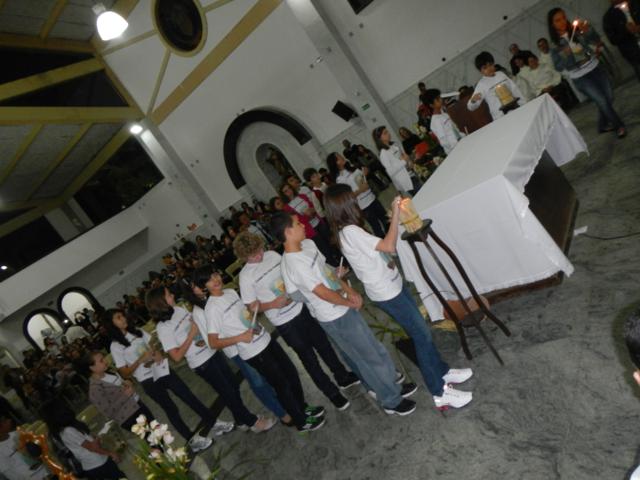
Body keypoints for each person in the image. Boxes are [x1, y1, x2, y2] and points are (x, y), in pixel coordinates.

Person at [323, 184, 474, 410]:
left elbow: (376, 254)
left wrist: (386, 262)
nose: (355, 200)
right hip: (387, 292)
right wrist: (394, 212)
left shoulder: (349, 230)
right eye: (351, 198)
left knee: (421, 330)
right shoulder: (351, 232)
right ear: (345, 204)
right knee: (421, 335)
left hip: (391, 284)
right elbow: (388, 244)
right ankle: (439, 391)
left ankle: (443, 372)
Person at [271, 211, 418, 416]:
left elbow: (328, 273)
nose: (303, 225)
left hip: (343, 305)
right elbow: (321, 292)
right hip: (333, 316)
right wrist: (347, 302)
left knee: (374, 348)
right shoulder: (294, 263)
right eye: (297, 224)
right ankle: (391, 400)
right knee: (367, 358)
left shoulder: (308, 246)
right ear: (288, 231)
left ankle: (391, 385)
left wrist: (350, 291)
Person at [234, 231, 359, 410]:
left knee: (324, 345)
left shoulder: (272, 255)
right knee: (309, 359)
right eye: (254, 255)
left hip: (302, 307)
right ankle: (332, 394)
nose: (260, 255)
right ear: (244, 257)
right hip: (285, 323)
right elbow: (251, 306)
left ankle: (342, 376)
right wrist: (272, 304)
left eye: (260, 249)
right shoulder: (245, 276)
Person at [193, 266, 326, 433]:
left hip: (265, 338)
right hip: (253, 352)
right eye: (209, 279)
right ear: (204, 286)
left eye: (215, 274)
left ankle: (301, 408)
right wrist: (240, 338)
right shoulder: (211, 309)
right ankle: (300, 421)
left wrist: (253, 309)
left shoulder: (230, 293)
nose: (216, 279)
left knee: (291, 372)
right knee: (281, 384)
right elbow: (213, 342)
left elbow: (244, 314)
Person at [146, 287, 275, 434]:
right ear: (161, 303)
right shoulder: (163, 328)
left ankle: (240, 419)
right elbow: (176, 357)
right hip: (202, 363)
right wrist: (191, 334)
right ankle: (252, 421)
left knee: (232, 385)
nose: (172, 294)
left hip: (211, 351)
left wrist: (200, 332)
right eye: (168, 295)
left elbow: (197, 327)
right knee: (228, 392)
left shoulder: (179, 310)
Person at [104, 310, 230, 447]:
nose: (123, 318)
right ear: (111, 324)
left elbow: (151, 346)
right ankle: (191, 439)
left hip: (162, 369)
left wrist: (157, 354)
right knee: (171, 408)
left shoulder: (136, 331)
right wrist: (140, 360)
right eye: (118, 318)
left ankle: (214, 422)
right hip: (148, 381)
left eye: (122, 315)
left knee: (188, 396)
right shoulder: (115, 346)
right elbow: (125, 372)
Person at [187, 281, 293, 427]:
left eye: (200, 284)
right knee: (258, 382)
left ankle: (287, 403)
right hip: (236, 349)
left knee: (269, 375)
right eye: (196, 286)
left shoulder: (225, 293)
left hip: (253, 342)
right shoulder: (199, 311)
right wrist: (238, 337)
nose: (201, 287)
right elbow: (211, 341)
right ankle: (282, 413)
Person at [548, 7, 627, 138]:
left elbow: (595, 41)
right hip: (580, 77)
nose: (562, 22)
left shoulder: (576, 30)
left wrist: (588, 31)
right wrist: (565, 55)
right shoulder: (554, 45)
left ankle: (602, 124)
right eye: (557, 20)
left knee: (609, 97)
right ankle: (619, 126)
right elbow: (558, 67)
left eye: (563, 18)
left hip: (595, 67)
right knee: (601, 100)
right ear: (552, 24)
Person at [44, 402, 124, 480]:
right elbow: (93, 448)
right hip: (97, 464)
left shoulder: (67, 429)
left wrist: (95, 438)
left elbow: (89, 443)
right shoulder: (68, 431)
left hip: (97, 462)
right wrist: (111, 453)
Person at [85, 351, 156, 432]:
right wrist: (125, 396)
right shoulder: (95, 388)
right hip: (128, 416)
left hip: (137, 404)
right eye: (101, 361)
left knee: (158, 430)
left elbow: (120, 387)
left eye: (104, 358)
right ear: (92, 367)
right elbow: (108, 412)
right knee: (152, 438)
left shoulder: (110, 371)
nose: (105, 361)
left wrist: (127, 382)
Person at [326, 152, 388, 238]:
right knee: (376, 226)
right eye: (339, 157)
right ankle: (384, 244)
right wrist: (360, 190)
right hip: (363, 206)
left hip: (372, 198)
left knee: (386, 219)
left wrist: (365, 173)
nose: (342, 157)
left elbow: (361, 179)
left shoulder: (351, 167)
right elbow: (347, 196)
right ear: (336, 162)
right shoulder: (340, 179)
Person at [467, 51, 526, 120]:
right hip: (500, 116)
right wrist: (473, 101)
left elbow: (514, 89)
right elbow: (470, 107)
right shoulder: (481, 85)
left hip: (516, 108)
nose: (489, 69)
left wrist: (524, 104)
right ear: (480, 71)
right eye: (485, 68)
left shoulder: (501, 74)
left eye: (491, 65)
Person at [372, 125, 420, 196]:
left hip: (411, 174)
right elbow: (390, 171)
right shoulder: (383, 153)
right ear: (379, 138)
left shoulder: (394, 145)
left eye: (387, 131)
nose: (388, 133)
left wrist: (409, 162)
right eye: (385, 133)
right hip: (406, 180)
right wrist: (404, 161)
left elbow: (403, 157)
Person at [0, 412, 49, 480]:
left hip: (45, 470)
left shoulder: (17, 433)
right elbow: (10, 474)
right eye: (4, 421)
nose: (9, 420)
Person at [603, 0, 640, 81]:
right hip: (633, 52)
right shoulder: (609, 17)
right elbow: (613, 39)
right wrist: (625, 31)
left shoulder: (636, 4)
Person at [423, 89, 465, 154]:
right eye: (437, 99)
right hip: (454, 150)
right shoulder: (436, 120)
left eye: (440, 97)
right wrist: (455, 148)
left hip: (460, 142)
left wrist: (462, 136)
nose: (441, 100)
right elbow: (443, 141)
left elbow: (454, 128)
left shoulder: (444, 114)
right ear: (431, 105)